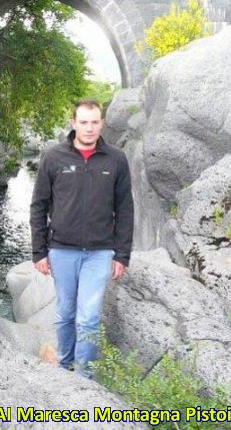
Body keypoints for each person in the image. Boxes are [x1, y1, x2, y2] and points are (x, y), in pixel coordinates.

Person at [29, 99, 134, 378]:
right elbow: (39, 205)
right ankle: (65, 366)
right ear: (73, 123)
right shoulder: (53, 158)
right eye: (84, 122)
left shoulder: (115, 159)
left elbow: (125, 208)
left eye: (95, 122)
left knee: (88, 318)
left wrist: (122, 255)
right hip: (62, 250)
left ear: (102, 123)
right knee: (65, 314)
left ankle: (84, 378)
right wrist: (38, 252)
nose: (89, 128)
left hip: (100, 252)